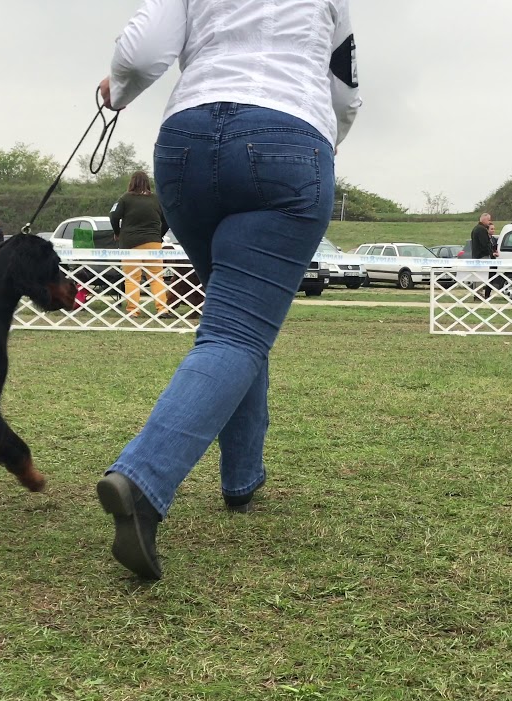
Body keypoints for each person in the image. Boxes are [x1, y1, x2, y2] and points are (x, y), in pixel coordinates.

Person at [94, 0, 361, 580]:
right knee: (238, 330)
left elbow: (142, 53)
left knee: (234, 319)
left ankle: (242, 478)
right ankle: (142, 479)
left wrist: (116, 88)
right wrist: (330, 135)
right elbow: (344, 92)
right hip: (290, 138)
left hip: (187, 142)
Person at [110, 170, 170, 317]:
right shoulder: (156, 199)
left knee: (132, 278)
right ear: (147, 183)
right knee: (156, 277)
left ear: (132, 182)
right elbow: (167, 220)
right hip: (153, 242)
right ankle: (162, 309)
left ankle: (133, 311)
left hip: (130, 243)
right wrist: (158, 235)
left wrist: (117, 232)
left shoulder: (125, 198)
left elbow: (113, 215)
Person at [469, 213, 497, 298]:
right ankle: (479, 294)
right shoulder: (482, 230)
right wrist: (491, 253)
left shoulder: (475, 229)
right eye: (488, 220)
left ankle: (478, 293)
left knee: (478, 276)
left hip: (476, 256)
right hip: (482, 256)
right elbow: (485, 244)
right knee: (481, 276)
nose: (490, 221)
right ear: (484, 220)